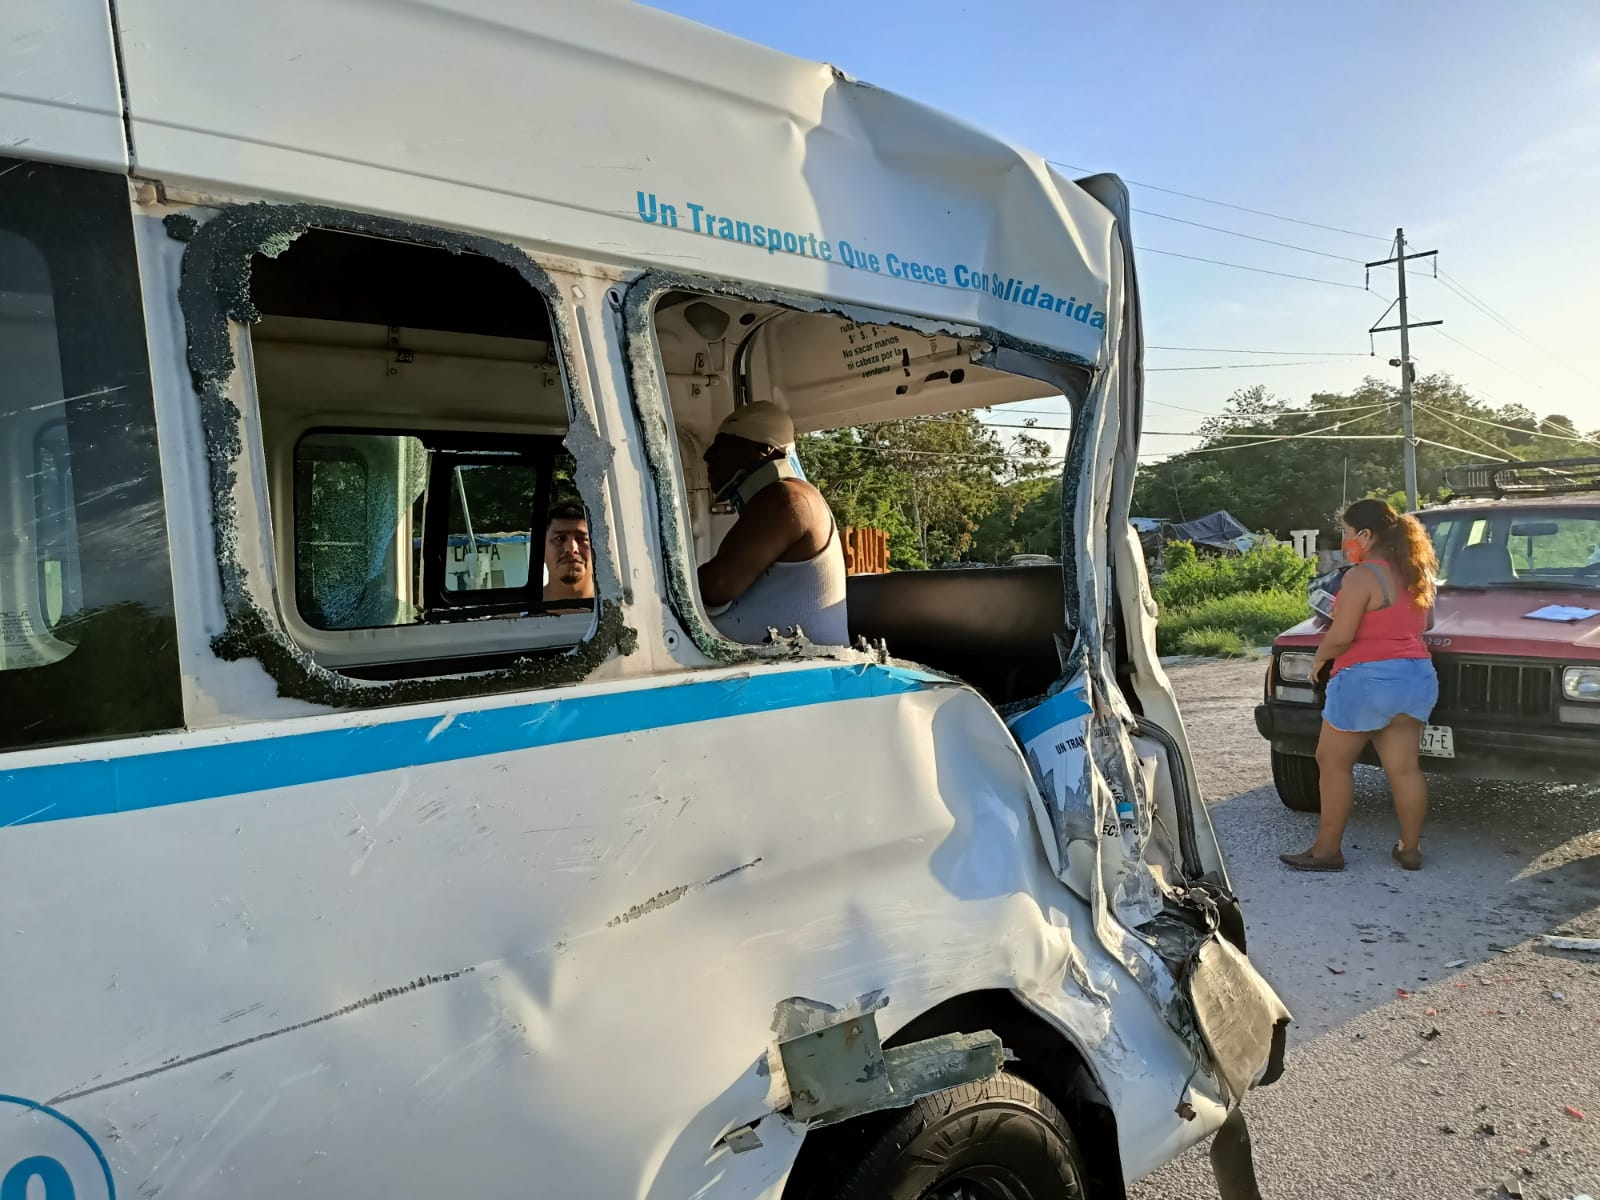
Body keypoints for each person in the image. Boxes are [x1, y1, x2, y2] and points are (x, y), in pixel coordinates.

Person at [1281, 499, 1439, 873]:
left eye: (1347, 534)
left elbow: (1341, 636)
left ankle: (1326, 851)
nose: (1345, 541)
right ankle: (1411, 849)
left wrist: (1319, 659)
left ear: (1365, 535)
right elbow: (1427, 624)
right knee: (1404, 769)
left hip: (1366, 679)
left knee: (1332, 762)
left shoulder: (1363, 576)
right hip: (1415, 676)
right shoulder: (1417, 572)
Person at [698, 401, 848, 646]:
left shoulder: (788, 498)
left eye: (723, 445)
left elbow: (717, 586)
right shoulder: (784, 498)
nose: (708, 455)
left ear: (765, 449)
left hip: (800, 676)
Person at [543, 500, 594, 612]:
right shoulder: (515, 619)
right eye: (559, 539)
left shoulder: (622, 613)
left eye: (582, 539)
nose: (571, 549)